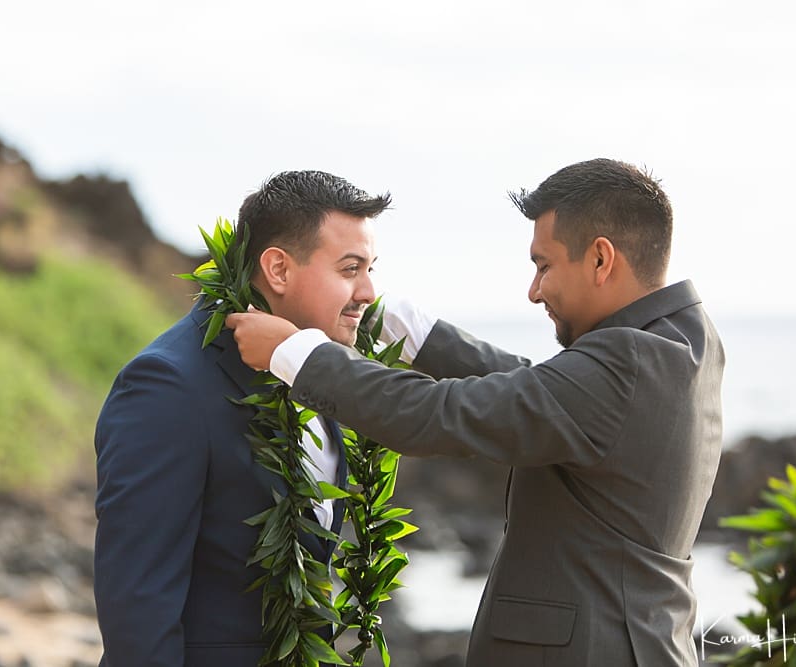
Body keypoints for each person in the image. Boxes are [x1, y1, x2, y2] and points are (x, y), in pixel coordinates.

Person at [227, 158, 725, 666]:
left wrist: (296, 354)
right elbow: (544, 395)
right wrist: (408, 329)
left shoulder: (630, 361)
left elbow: (439, 413)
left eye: (544, 265)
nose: (534, 291)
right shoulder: (683, 341)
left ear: (601, 259)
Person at [93, 170, 391, 666]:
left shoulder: (317, 369)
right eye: (350, 269)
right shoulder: (167, 386)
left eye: (370, 269)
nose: (368, 292)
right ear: (278, 269)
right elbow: (137, 609)